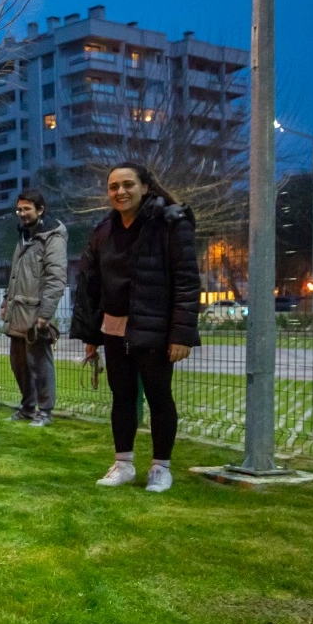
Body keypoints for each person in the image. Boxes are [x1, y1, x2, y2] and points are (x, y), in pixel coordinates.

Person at [69, 162, 201, 493]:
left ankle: (160, 468)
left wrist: (181, 334)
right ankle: (123, 464)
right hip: (114, 332)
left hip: (154, 332)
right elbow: (90, 283)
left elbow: (187, 280)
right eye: (114, 187)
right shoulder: (103, 231)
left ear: (145, 186)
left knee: (159, 398)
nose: (120, 192)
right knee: (122, 398)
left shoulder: (171, 223)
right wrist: (91, 336)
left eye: (128, 184)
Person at [1, 188, 67, 426]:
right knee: (19, 366)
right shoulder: (24, 236)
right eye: (19, 209)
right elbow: (16, 276)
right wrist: (5, 302)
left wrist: (45, 315)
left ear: (40, 210)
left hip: (36, 315)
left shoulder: (52, 237)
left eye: (26, 209)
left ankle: (45, 412)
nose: (21, 213)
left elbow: (56, 278)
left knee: (40, 366)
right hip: (17, 312)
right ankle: (27, 408)